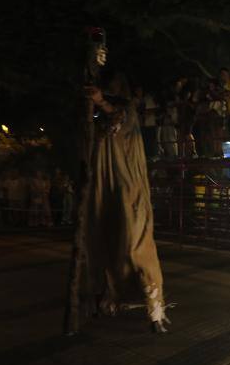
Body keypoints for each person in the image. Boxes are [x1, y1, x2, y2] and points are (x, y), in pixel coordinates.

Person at [65, 80, 169, 334]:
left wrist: (101, 101)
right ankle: (106, 299)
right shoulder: (97, 128)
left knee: (137, 248)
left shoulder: (127, 117)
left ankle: (155, 310)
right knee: (102, 243)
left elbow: (118, 116)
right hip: (104, 195)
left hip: (129, 193)